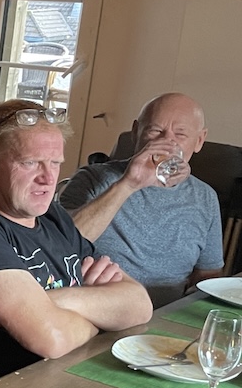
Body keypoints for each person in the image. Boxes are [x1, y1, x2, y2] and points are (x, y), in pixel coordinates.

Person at [0, 100, 153, 388]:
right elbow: (52, 339)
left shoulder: (51, 216)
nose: (48, 178)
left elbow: (139, 306)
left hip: (64, 387)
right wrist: (102, 317)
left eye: (55, 163)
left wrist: (52, 301)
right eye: (30, 163)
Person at [59, 92, 223, 306]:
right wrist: (128, 184)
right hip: (97, 308)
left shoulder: (205, 197)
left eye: (180, 134)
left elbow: (208, 275)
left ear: (199, 140)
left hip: (165, 315)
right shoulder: (92, 179)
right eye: (155, 131)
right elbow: (61, 245)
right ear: (136, 132)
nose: (167, 142)